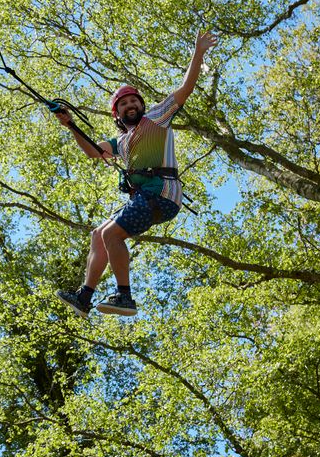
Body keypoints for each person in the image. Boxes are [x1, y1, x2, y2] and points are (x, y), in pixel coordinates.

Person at [55, 29, 218, 317]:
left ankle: (125, 296)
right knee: (99, 234)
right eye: (124, 104)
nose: (131, 106)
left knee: (113, 235)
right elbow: (94, 150)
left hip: (162, 193)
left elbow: (185, 88)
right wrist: (69, 125)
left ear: (142, 106)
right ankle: (85, 296)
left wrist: (198, 53)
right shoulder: (121, 143)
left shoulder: (157, 118)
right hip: (146, 197)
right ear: (117, 115)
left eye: (134, 102)